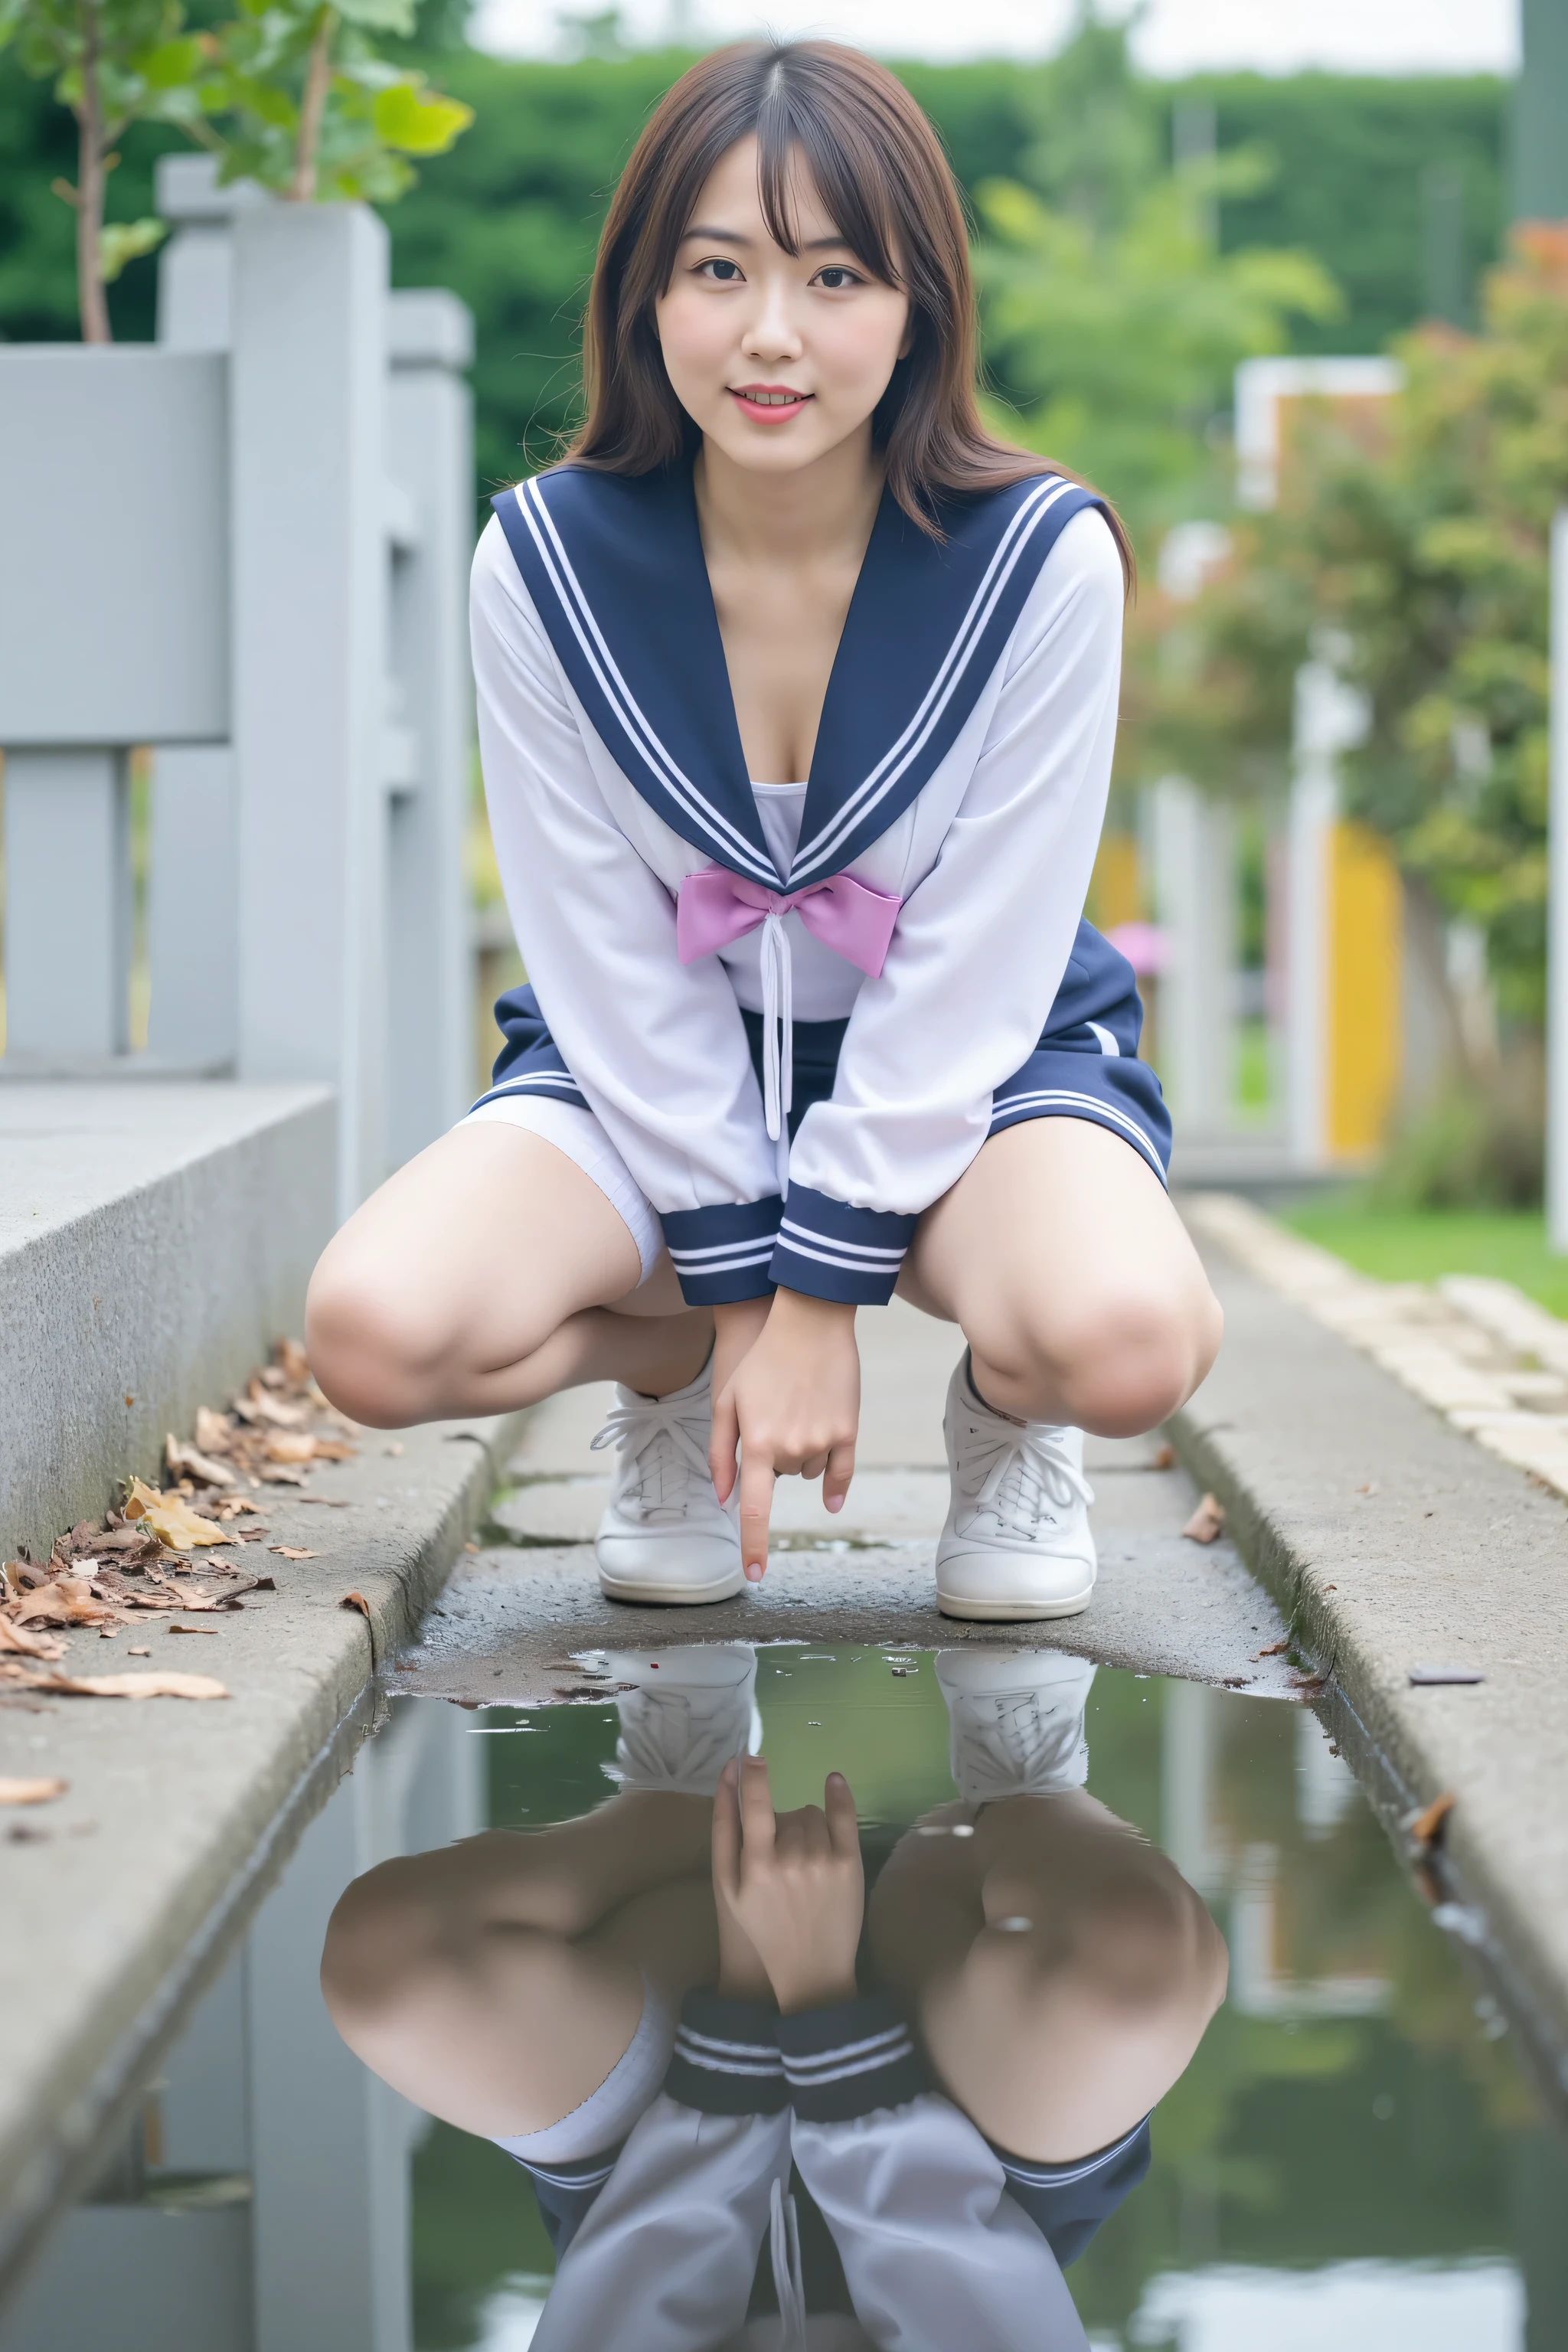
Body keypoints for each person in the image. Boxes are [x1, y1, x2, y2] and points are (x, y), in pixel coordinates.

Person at [304, 38, 1223, 1618]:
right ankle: (658, 1368)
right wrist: (738, 1297)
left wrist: (827, 1286)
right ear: (644, 295)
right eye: (717, 269)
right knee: (373, 1334)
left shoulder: (1042, 560)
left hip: (977, 1070)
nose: (771, 335)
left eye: (838, 275)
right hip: (651, 1073)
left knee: (1125, 1341)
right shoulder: (542, 562)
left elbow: (979, 966)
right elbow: (598, 952)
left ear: (918, 301)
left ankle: (1010, 1425)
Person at [320, 1647, 1229, 2350]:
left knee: (395, 1972)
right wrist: (822, 2002)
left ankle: (681, 1799)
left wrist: (749, 1997)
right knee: (1130, 1982)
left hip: (662, 2175)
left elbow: (632, 2308)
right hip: (967, 2183)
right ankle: (1015, 1776)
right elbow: (970, 2306)